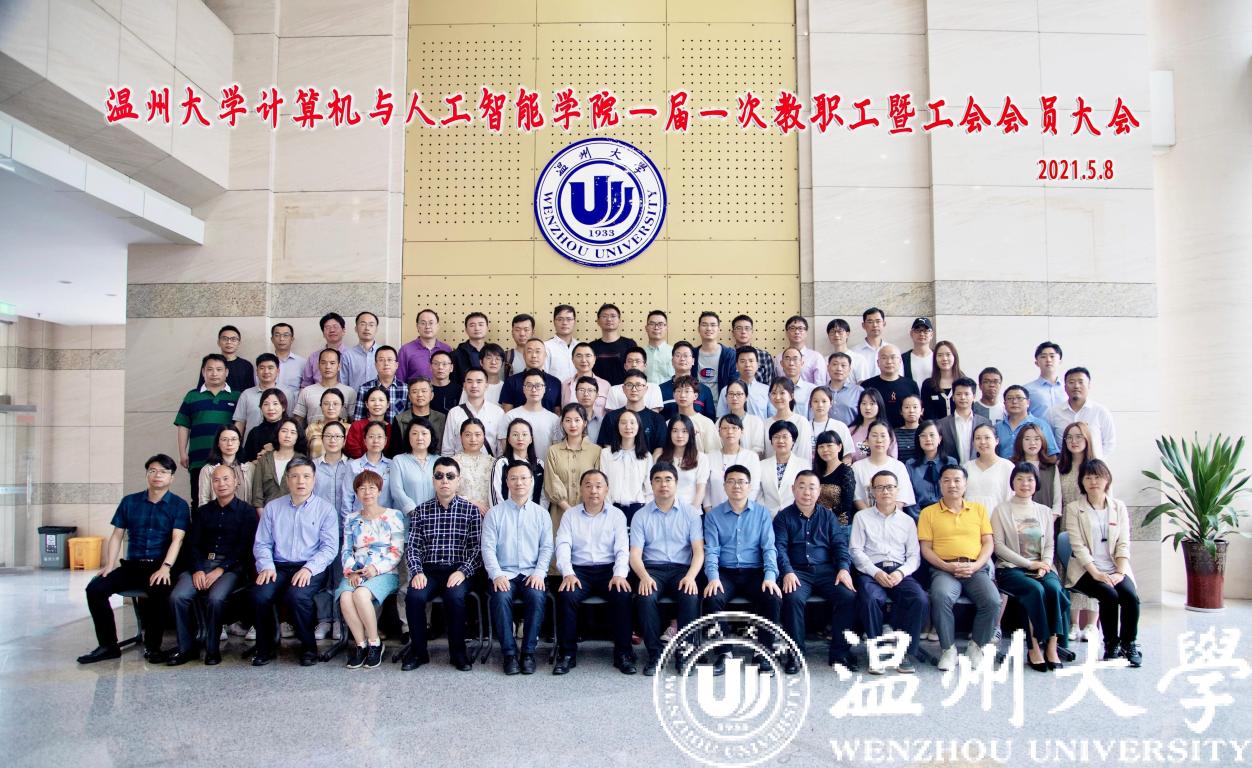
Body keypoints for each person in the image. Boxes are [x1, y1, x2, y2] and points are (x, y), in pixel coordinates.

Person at [77, 455, 189, 665]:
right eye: (153, 471)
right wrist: (109, 564)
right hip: (132, 566)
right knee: (95, 589)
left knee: (158, 592)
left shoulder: (179, 505)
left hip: (160, 566)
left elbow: (178, 539)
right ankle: (108, 645)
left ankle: (153, 647)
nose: (157, 475)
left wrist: (166, 567)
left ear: (171, 478)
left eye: (163, 472)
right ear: (147, 474)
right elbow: (117, 535)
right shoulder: (130, 502)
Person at [250, 456, 338, 667]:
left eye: (306, 476)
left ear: (314, 479)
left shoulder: (325, 509)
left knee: (297, 596)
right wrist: (266, 566)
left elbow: (329, 548)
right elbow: (262, 543)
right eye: (295, 476)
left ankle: (309, 648)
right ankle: (265, 647)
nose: (301, 481)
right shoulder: (273, 508)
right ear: (287, 479)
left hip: (311, 566)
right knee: (260, 595)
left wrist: (309, 569)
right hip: (278, 566)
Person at [167, 464, 256, 666]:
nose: (221, 484)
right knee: (178, 597)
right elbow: (192, 544)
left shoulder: (246, 512)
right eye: (216, 480)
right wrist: (198, 569)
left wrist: (220, 570)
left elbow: (243, 548)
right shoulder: (202, 512)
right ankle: (186, 648)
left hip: (230, 568)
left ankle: (212, 648)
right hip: (201, 564)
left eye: (226, 479)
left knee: (216, 599)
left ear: (236, 482)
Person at [403, 456, 483, 671]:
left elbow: (477, 550)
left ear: (458, 480)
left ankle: (458, 654)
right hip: (428, 571)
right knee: (414, 596)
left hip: (459, 570)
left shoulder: (471, 511)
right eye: (439, 476)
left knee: (454, 597)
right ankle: (419, 653)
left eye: (450, 476)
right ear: (433, 480)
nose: (444, 480)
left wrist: (463, 571)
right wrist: (417, 572)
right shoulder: (421, 511)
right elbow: (413, 547)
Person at [552, 470, 635, 675]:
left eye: (598, 486)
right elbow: (562, 545)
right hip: (579, 571)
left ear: (606, 490)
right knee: (566, 595)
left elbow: (622, 548)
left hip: (609, 570)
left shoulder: (617, 515)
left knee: (622, 594)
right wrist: (568, 573)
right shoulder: (570, 515)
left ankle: (623, 654)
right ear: (581, 490)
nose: (593, 490)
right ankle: (567, 654)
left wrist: (619, 574)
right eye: (588, 486)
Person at [917, 465, 999, 672]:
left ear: (965, 484)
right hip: (943, 568)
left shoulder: (978, 510)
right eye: (946, 480)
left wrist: (976, 565)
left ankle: (976, 646)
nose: (952, 485)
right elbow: (925, 548)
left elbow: (988, 543)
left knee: (992, 600)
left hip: (975, 568)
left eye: (957, 480)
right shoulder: (928, 513)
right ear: (940, 484)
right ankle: (948, 649)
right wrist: (946, 565)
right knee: (941, 596)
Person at [703, 465, 783, 675]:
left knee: (772, 597)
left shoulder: (762, 514)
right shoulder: (713, 516)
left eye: (741, 482)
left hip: (754, 571)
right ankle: (724, 652)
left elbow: (769, 548)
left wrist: (770, 576)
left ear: (749, 486)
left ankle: (763, 652)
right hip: (726, 572)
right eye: (731, 481)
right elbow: (711, 550)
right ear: (724, 486)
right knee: (712, 597)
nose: (736, 486)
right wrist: (713, 577)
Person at [775, 471, 857, 673]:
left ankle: (840, 653)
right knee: (792, 598)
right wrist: (787, 572)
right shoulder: (783, 517)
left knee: (847, 596)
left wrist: (843, 569)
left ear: (819, 491)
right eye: (801, 486)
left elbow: (839, 545)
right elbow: (779, 548)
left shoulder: (828, 516)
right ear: (793, 489)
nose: (807, 492)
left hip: (825, 570)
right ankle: (795, 654)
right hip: (797, 571)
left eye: (812, 487)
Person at [1064, 458, 1143, 667]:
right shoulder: (1074, 508)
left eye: (1097, 477)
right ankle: (1111, 645)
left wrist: (1120, 572)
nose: (1093, 482)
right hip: (1085, 570)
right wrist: (1096, 574)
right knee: (1109, 595)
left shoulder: (1119, 507)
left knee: (1130, 596)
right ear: (1081, 482)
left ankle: (1129, 644)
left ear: (1107, 479)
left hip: (1115, 567)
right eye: (1088, 478)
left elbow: (1124, 542)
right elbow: (1078, 546)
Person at [848, 470, 927, 672]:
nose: (885, 491)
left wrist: (900, 573)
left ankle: (904, 653)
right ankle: (876, 652)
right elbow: (855, 551)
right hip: (871, 571)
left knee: (919, 599)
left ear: (897, 490)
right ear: (873, 491)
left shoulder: (907, 521)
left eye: (890, 487)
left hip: (899, 571)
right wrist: (875, 572)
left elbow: (914, 556)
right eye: (880, 487)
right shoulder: (861, 517)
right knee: (870, 599)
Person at [631, 462, 705, 676]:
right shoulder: (641, 515)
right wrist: (644, 577)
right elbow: (634, 555)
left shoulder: (691, 513)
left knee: (690, 595)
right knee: (645, 597)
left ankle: (685, 653)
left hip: (682, 569)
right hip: (652, 569)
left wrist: (691, 577)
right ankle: (655, 655)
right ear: (651, 484)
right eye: (658, 480)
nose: (663, 484)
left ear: (676, 483)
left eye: (668, 479)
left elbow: (698, 551)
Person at [992, 463, 1068, 671]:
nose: (1025, 484)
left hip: (1042, 566)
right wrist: (1029, 564)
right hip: (1011, 568)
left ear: (1036, 483)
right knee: (1035, 590)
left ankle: (1051, 647)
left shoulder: (1044, 511)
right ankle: (1034, 647)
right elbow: (999, 547)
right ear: (1012, 483)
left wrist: (1045, 564)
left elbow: (1050, 544)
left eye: (1030, 479)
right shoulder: (1001, 510)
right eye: (1020, 479)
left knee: (1054, 589)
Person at [482, 461, 554, 675]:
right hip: (504, 573)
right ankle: (509, 654)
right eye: (513, 478)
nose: (519, 482)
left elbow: (547, 547)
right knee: (501, 597)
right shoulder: (495, 513)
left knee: (536, 596)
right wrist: (496, 575)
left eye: (524, 478)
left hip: (532, 573)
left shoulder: (541, 514)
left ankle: (528, 653)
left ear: (531, 481)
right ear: (507, 482)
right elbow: (487, 548)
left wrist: (539, 573)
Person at [337, 469, 405, 669]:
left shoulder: (394, 516)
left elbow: (397, 551)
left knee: (360, 595)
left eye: (372, 488)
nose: (367, 492)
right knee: (345, 597)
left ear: (379, 490)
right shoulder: (351, 518)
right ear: (356, 493)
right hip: (356, 572)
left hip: (384, 571)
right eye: (362, 488)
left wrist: (376, 568)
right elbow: (346, 549)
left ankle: (375, 643)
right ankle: (361, 645)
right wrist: (351, 570)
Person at [176, 354, 241, 513]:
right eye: (210, 369)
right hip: (199, 458)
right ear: (203, 371)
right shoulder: (192, 396)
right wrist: (182, 453)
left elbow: (240, 427)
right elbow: (183, 425)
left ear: (226, 372)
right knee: (198, 499)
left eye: (219, 369)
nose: (214, 373)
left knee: (229, 500)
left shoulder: (237, 396)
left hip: (228, 460)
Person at [1057, 421, 1100, 641]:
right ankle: (1074, 623)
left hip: (1090, 523)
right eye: (1069, 437)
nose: (1074, 441)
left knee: (1092, 568)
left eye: (1078, 437)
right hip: (1067, 523)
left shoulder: (1096, 467)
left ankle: (1092, 625)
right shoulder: (1061, 467)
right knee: (1071, 572)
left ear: (1087, 439)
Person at [545, 403, 602, 532]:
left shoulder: (596, 451)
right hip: (560, 514)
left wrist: (584, 511)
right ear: (562, 423)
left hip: (589, 514)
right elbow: (551, 483)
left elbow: (598, 484)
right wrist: (569, 510)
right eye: (568, 420)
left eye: (577, 420)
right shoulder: (553, 451)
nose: (573, 425)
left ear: (585, 423)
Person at [1047, 367, 1117, 458]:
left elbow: (1109, 443)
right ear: (1065, 387)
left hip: (1092, 465)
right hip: (1064, 465)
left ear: (1089, 385)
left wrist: (1096, 461)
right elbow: (1050, 442)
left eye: (1081, 382)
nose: (1076, 386)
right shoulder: (1054, 413)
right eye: (1071, 382)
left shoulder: (1100, 412)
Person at [600, 409, 654, 523]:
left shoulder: (646, 456)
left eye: (632, 422)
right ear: (617, 426)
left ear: (639, 426)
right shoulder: (606, 454)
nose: (628, 426)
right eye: (623, 422)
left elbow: (649, 488)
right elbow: (603, 483)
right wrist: (608, 509)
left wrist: (645, 511)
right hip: (612, 508)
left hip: (638, 509)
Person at [852, 420, 917, 512]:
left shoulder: (899, 466)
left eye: (883, 436)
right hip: (866, 517)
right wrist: (871, 516)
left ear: (890, 440)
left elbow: (902, 498)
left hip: (895, 517)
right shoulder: (857, 467)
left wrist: (887, 516)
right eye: (874, 436)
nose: (879, 440)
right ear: (866, 440)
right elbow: (857, 498)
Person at [598, 370, 668, 451]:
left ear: (646, 389)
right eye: (629, 385)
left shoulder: (657, 419)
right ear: (623, 389)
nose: (634, 389)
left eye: (639, 385)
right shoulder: (611, 417)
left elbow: (659, 449)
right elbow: (607, 446)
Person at [442, 367, 505, 455]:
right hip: (459, 463)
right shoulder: (454, 413)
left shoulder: (498, 412)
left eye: (479, 382)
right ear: (464, 385)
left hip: (489, 462)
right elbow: (447, 449)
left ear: (486, 385)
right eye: (470, 381)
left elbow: (501, 449)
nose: (474, 385)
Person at [251, 417, 307, 514]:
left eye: (293, 432)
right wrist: (264, 518)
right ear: (277, 433)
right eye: (284, 431)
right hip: (267, 513)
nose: (287, 435)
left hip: (295, 513)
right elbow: (257, 495)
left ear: (298, 436)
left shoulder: (302, 461)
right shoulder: (264, 459)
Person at [337, 421, 394, 517]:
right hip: (359, 520)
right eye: (371, 437)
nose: (375, 441)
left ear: (385, 441)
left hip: (386, 520)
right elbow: (347, 497)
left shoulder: (392, 465)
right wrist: (348, 521)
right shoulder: (354, 465)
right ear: (364, 440)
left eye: (379, 437)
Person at [706, 414, 762, 510]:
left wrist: (743, 510)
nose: (730, 432)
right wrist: (708, 510)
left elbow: (754, 487)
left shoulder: (751, 457)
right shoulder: (710, 457)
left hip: (744, 512)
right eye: (725, 428)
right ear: (719, 432)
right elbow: (706, 487)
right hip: (716, 512)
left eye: (734, 428)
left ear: (742, 431)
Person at [501, 369, 560, 458]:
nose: (534, 390)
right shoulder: (510, 416)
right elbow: (505, 448)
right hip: (517, 465)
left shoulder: (554, 419)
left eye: (538, 386)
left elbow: (556, 450)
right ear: (523, 389)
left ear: (544, 389)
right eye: (529, 385)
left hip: (546, 465)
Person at [656, 414, 710, 509]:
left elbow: (700, 491)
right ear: (669, 433)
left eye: (684, 431)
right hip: (664, 511)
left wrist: (690, 513)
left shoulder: (701, 458)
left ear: (690, 433)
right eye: (675, 431)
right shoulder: (660, 457)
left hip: (691, 511)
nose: (679, 435)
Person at [490, 418, 546, 507]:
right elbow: (495, 495)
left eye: (524, 434)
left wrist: (538, 513)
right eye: (515, 435)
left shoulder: (540, 465)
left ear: (531, 439)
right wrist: (502, 514)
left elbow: (544, 497)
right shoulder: (501, 463)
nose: (520, 438)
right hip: (505, 514)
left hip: (533, 514)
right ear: (508, 439)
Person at [905, 420, 958, 515]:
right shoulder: (910, 465)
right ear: (918, 439)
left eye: (932, 435)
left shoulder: (950, 462)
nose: (928, 439)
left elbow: (955, 493)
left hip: (948, 514)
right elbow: (909, 497)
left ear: (940, 438)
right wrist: (921, 519)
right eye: (923, 436)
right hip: (921, 515)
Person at [861, 344, 919, 428]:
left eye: (893, 357)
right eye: (884, 358)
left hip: (904, 431)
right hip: (876, 432)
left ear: (900, 361)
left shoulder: (911, 384)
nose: (889, 361)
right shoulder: (867, 385)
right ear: (878, 363)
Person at [758, 421, 811, 513]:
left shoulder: (803, 465)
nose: (780, 441)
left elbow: (806, 492)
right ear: (771, 441)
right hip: (768, 516)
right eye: (776, 437)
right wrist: (765, 513)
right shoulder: (761, 465)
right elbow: (759, 493)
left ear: (793, 440)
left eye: (785, 437)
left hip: (795, 515)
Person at [1011, 423, 1062, 519]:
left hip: (1047, 520)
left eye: (1036, 439)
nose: (1032, 443)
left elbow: (1057, 502)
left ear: (1042, 441)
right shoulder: (1012, 466)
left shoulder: (1051, 467)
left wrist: (1049, 520)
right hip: (1017, 519)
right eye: (1027, 439)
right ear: (1020, 442)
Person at [936, 377, 991, 465]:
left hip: (979, 468)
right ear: (953, 397)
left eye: (967, 394)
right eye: (958, 394)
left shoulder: (985, 422)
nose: (962, 397)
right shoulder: (942, 424)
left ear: (974, 397)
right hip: (951, 470)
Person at [996, 385, 1061, 458]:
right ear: (1004, 404)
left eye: (1019, 398)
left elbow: (1052, 454)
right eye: (1009, 398)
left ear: (1028, 402)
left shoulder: (1041, 425)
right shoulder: (997, 427)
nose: (1014, 402)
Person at [293, 348, 356, 422]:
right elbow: (298, 421)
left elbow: (354, 421)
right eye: (323, 363)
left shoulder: (349, 392)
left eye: (332, 363)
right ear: (318, 366)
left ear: (339, 366)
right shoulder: (306, 391)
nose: (328, 367)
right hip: (313, 429)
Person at [196, 424, 253, 507]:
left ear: (239, 442)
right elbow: (203, 501)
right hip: (216, 514)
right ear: (218, 443)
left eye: (234, 439)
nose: (229, 443)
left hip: (245, 514)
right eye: (224, 440)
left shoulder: (250, 468)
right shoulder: (208, 469)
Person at [390, 377, 446, 459]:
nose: (420, 395)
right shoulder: (400, 419)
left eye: (424, 391)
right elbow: (395, 451)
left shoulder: (442, 418)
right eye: (414, 391)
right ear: (409, 396)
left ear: (431, 395)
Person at [390, 417, 437, 514]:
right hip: (408, 517)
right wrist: (413, 511)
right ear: (408, 437)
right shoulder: (398, 460)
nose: (419, 438)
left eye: (424, 433)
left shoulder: (439, 461)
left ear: (431, 436)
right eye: (414, 433)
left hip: (435, 517)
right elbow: (396, 490)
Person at [500, 339, 562, 412]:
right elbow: (507, 411)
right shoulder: (511, 382)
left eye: (538, 351)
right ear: (524, 355)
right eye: (529, 351)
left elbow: (557, 412)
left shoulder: (555, 382)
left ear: (545, 355)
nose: (534, 356)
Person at [965, 424, 1014, 515]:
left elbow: (1011, 497)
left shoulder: (1007, 467)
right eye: (978, 438)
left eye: (987, 437)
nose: (982, 442)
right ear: (973, 443)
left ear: (997, 441)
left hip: (998, 519)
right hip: (970, 519)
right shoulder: (967, 467)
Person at [659, 341, 716, 419]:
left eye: (686, 355)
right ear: (672, 361)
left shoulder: (704, 390)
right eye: (678, 355)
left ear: (693, 361)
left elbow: (710, 420)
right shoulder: (660, 389)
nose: (682, 359)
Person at [233, 353, 285, 437]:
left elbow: (290, 420)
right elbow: (240, 423)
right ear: (256, 371)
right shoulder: (246, 394)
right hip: (251, 443)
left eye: (270, 368)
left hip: (278, 443)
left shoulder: (287, 393)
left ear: (278, 371)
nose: (266, 371)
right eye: (262, 368)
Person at [396, 308, 453, 384]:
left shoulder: (447, 349)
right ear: (417, 326)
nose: (427, 327)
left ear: (437, 326)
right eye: (423, 323)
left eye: (431, 323)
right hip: (415, 391)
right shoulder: (406, 350)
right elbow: (400, 380)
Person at [351, 345, 406, 422]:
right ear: (376, 365)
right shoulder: (364, 388)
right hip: (371, 429)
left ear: (396, 365)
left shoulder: (406, 389)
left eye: (390, 360)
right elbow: (358, 419)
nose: (386, 363)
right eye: (381, 360)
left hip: (398, 430)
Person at [451, 418, 494, 515]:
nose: (473, 439)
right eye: (468, 435)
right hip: (461, 514)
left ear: (484, 436)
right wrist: (470, 502)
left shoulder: (493, 463)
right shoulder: (452, 463)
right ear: (461, 437)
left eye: (477, 435)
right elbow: (446, 492)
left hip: (488, 516)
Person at [764, 378, 813, 461]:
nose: (777, 397)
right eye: (774, 393)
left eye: (782, 393)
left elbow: (804, 453)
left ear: (791, 396)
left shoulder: (801, 421)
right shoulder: (765, 423)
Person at [197, 325, 255, 394]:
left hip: (239, 400)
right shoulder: (209, 363)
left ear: (239, 343)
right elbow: (201, 388)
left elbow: (250, 391)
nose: (229, 342)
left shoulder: (246, 365)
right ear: (218, 342)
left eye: (233, 339)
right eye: (225, 339)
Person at [813, 431, 857, 524]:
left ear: (839, 447)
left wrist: (826, 514)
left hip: (840, 525)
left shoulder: (846, 471)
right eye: (821, 446)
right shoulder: (815, 472)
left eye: (829, 445)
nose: (825, 449)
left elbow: (847, 504)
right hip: (817, 523)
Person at [668, 375, 720, 453]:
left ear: (695, 396)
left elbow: (714, 453)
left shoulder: (707, 423)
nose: (682, 395)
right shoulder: (668, 423)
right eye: (678, 391)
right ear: (673, 395)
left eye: (687, 391)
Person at [716, 347, 772, 418]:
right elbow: (720, 418)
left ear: (757, 365)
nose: (747, 365)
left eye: (751, 361)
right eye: (742, 361)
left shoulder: (767, 390)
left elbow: (772, 418)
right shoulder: (726, 390)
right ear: (736, 366)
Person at [243, 388, 296, 463]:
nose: (271, 408)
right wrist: (258, 461)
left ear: (283, 407)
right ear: (261, 407)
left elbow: (301, 452)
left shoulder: (293, 428)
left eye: (275, 404)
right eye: (266, 404)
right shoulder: (255, 432)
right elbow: (246, 460)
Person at [589, 303, 636, 385]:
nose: (609, 319)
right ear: (598, 321)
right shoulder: (591, 347)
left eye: (613, 316)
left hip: (624, 390)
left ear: (619, 321)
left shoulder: (629, 344)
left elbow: (635, 370)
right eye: (604, 316)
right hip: (599, 390)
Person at [848, 389, 898, 463]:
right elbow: (846, 457)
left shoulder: (886, 430)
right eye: (864, 403)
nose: (867, 407)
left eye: (872, 404)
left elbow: (893, 458)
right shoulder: (850, 431)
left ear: (879, 406)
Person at [298, 312, 347, 388]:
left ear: (343, 331)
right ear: (323, 333)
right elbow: (306, 384)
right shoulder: (314, 357)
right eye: (327, 327)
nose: (332, 330)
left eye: (335, 326)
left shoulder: (352, 356)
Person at [695, 311, 737, 399]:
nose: (709, 328)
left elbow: (734, 382)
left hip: (723, 404)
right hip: (697, 404)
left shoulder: (729, 355)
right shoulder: (692, 354)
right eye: (704, 325)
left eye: (713, 325)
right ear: (698, 329)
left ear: (718, 329)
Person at [561, 342, 610, 416]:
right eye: (579, 356)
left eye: (588, 355)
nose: (583, 360)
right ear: (572, 360)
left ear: (594, 359)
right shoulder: (565, 385)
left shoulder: (605, 385)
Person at [776, 315, 828, 385]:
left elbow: (820, 386)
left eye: (800, 328)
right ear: (787, 333)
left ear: (806, 333)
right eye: (792, 328)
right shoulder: (779, 358)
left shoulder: (816, 357)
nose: (797, 332)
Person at [919, 340, 963, 421]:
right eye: (940, 355)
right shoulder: (928, 384)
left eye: (948, 354)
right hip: (936, 428)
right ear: (935, 359)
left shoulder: (964, 382)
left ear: (954, 357)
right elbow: (928, 415)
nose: (944, 358)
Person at [720, 379, 766, 456]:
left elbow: (758, 449)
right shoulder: (720, 422)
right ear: (726, 397)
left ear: (746, 397)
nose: (734, 398)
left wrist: (743, 460)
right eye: (731, 394)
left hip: (749, 462)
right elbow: (717, 447)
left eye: (739, 394)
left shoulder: (756, 422)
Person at [806, 386, 855, 459]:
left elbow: (847, 456)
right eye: (815, 401)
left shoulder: (840, 426)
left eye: (824, 401)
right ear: (810, 404)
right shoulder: (804, 426)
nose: (820, 405)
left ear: (831, 403)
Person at [344, 386, 391, 459]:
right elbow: (352, 451)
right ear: (366, 404)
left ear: (387, 404)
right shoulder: (357, 426)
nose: (377, 403)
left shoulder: (392, 429)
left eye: (381, 400)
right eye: (372, 400)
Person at [1023, 341, 1066, 419]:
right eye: (1043, 357)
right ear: (1036, 363)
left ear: (1060, 361)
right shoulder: (1026, 390)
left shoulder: (1067, 388)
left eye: (1052, 356)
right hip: (1038, 427)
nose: (1048, 360)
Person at [340, 311, 381, 391]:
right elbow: (343, 385)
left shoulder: (385, 353)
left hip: (380, 398)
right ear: (356, 329)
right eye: (363, 324)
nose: (367, 328)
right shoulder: (347, 355)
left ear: (376, 329)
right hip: (355, 398)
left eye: (371, 325)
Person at [305, 388, 350, 460]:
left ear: (342, 407)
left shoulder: (350, 429)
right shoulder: (311, 428)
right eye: (326, 404)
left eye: (335, 404)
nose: (331, 408)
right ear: (321, 406)